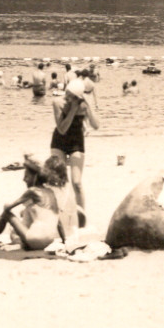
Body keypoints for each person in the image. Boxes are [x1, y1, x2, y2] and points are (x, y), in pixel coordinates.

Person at [0, 156, 65, 250]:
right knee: (26, 215)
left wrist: (7, 206)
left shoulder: (32, 191)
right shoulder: (50, 192)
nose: (24, 179)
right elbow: (59, 221)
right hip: (49, 241)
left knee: (6, 214)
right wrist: (64, 240)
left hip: (35, 239)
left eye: (27, 176)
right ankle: (22, 244)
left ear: (35, 177)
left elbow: (8, 208)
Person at [50, 77, 99, 223]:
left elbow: (96, 125)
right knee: (58, 181)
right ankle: (58, 216)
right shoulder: (57, 102)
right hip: (59, 141)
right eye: (69, 95)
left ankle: (81, 217)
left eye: (74, 97)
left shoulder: (83, 105)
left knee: (77, 183)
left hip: (77, 142)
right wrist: (72, 110)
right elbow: (62, 129)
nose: (69, 98)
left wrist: (88, 106)